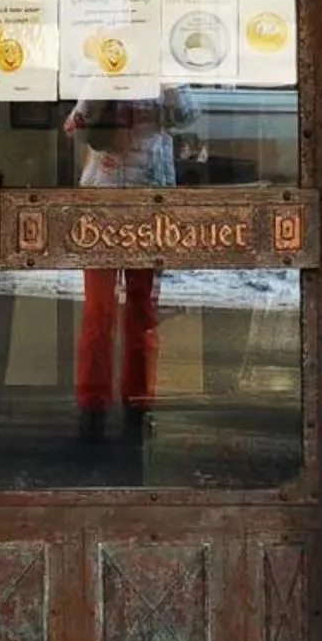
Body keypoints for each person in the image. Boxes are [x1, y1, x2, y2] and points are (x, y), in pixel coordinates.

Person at [64, 80, 200, 456]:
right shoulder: (107, 69)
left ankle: (130, 404)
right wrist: (107, 82)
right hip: (111, 201)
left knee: (132, 311)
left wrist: (169, 79)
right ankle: (102, 407)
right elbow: (78, 121)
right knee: (106, 311)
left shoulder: (161, 72)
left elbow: (188, 114)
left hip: (142, 200)